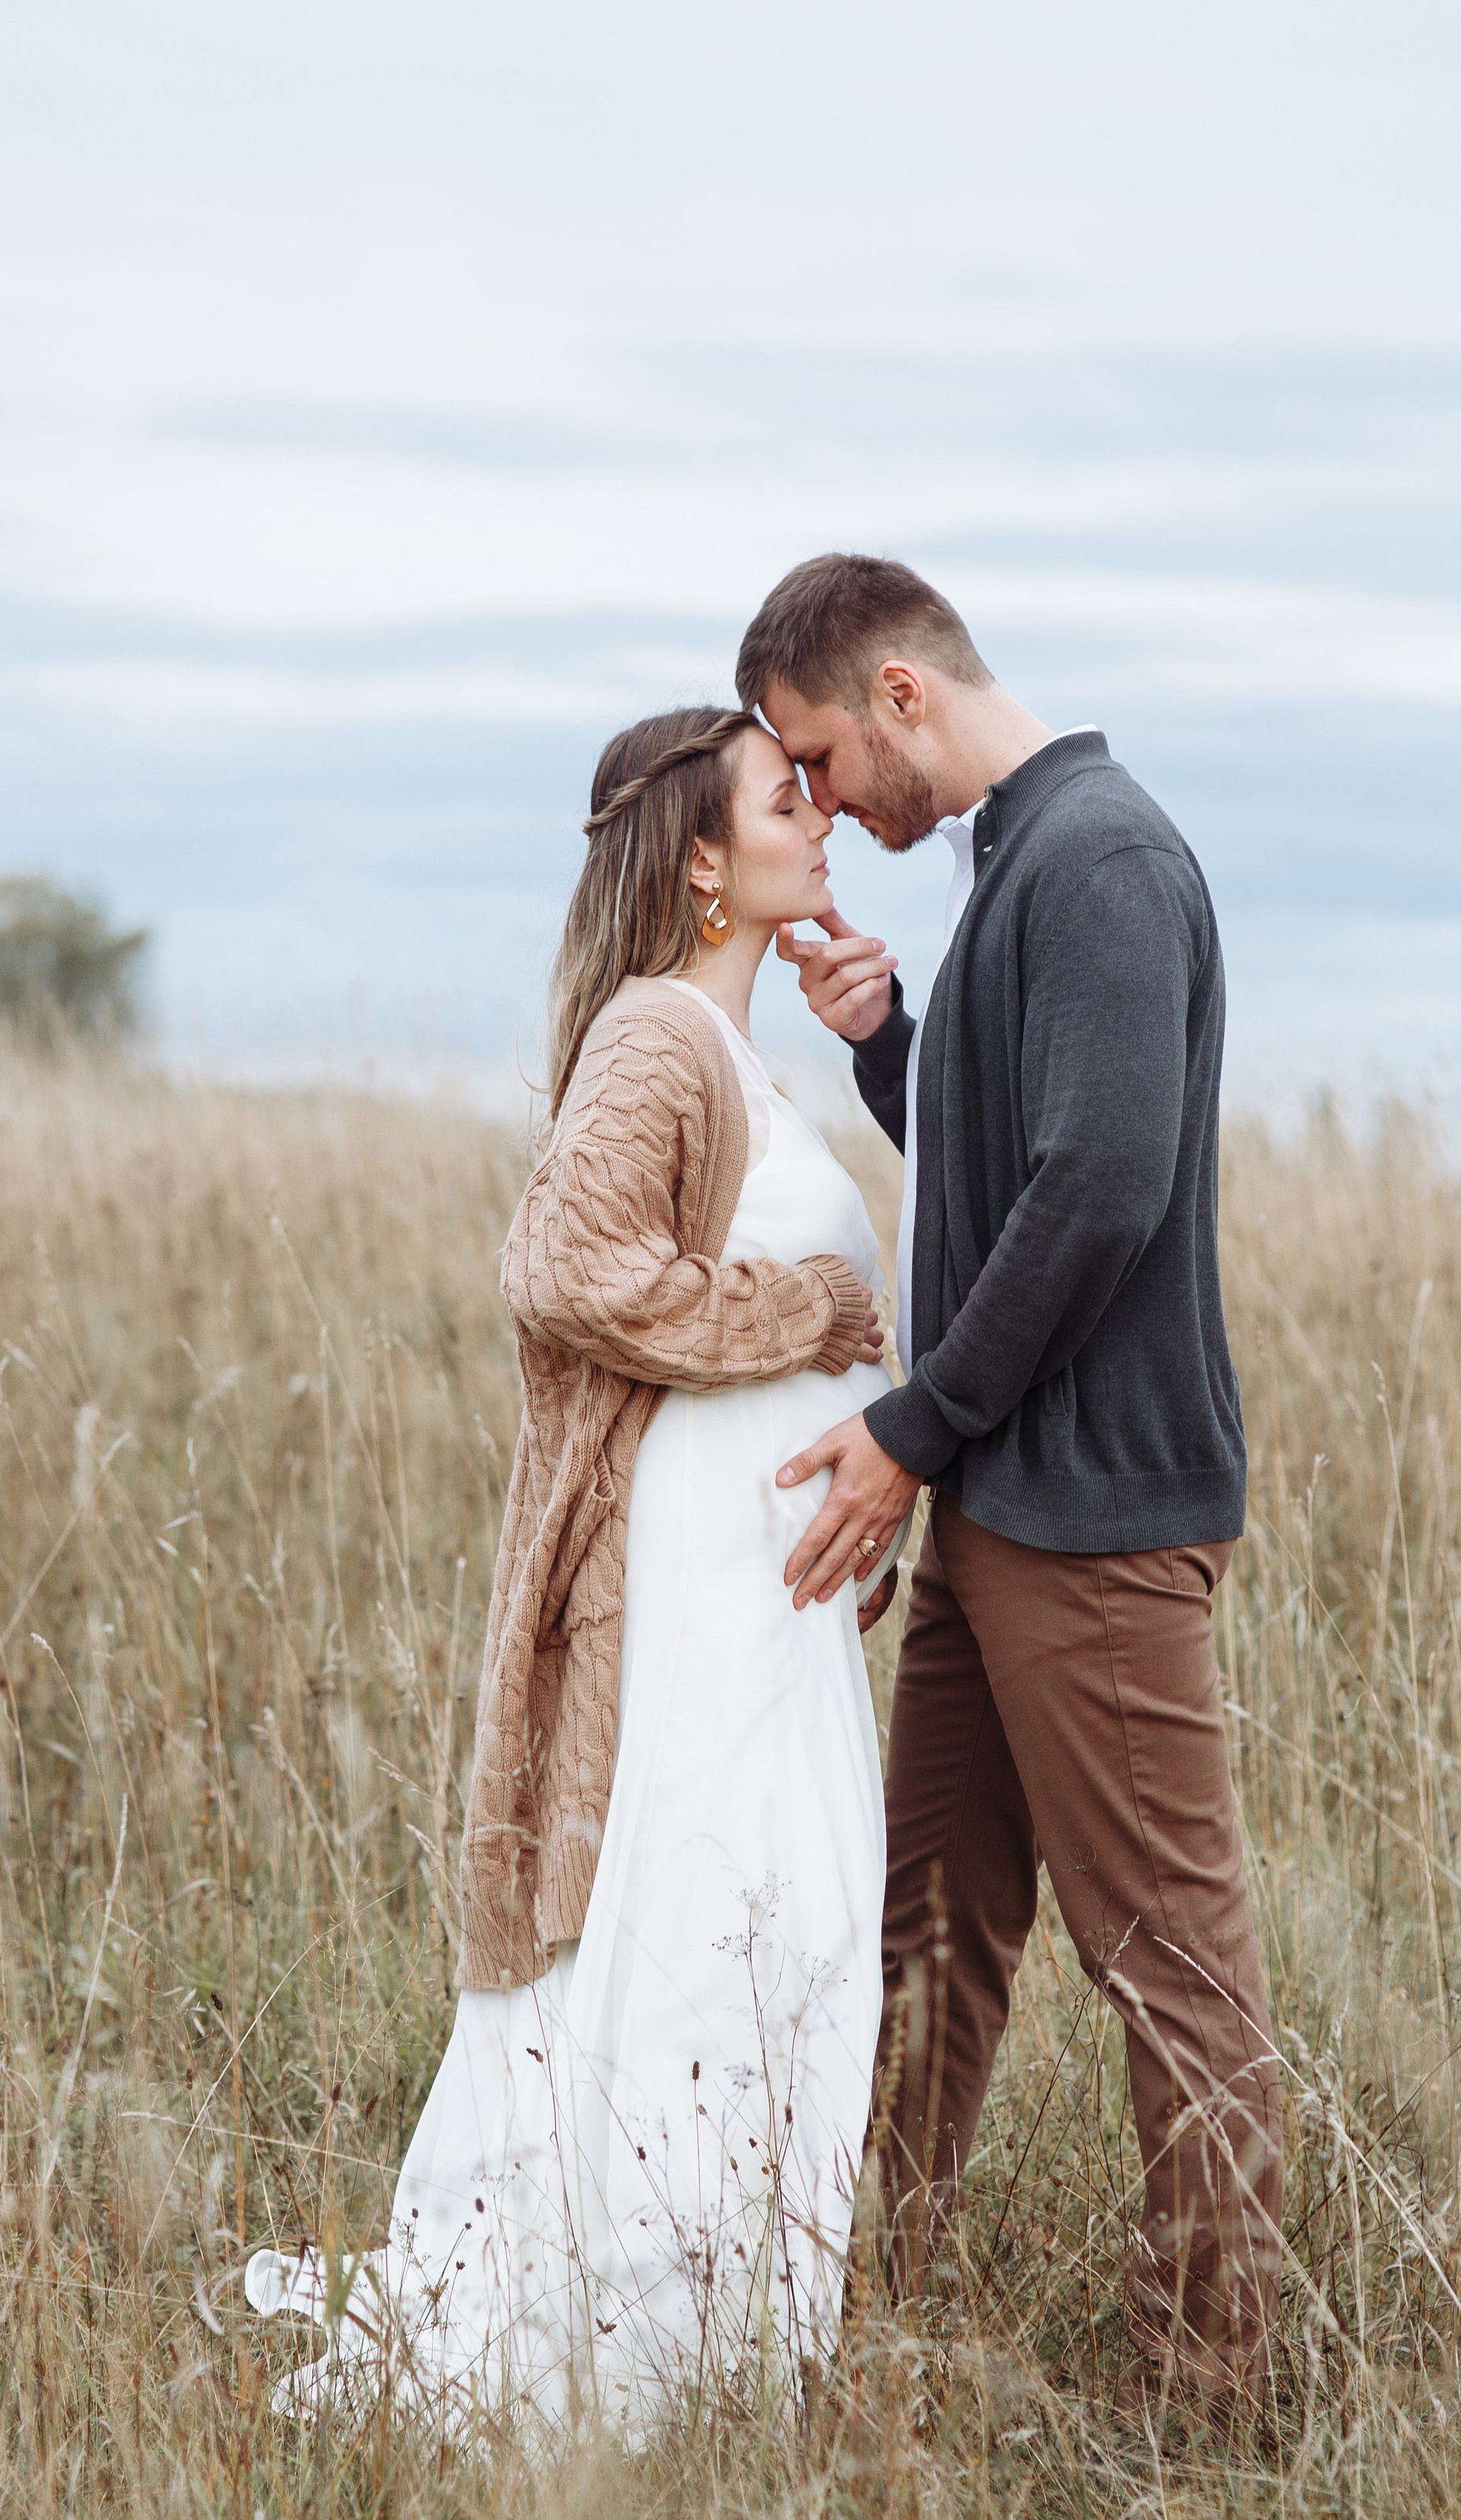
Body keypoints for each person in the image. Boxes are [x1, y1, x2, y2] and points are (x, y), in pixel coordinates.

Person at [247, 707, 903, 2433]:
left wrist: (865, 1480)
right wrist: (817, 1314)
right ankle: (641, 2341)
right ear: (702, 861)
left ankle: (725, 2327)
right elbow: (564, 1270)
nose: (820, 816)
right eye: (785, 798)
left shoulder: (736, 1050)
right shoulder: (659, 1034)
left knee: (786, 1916)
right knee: (708, 1913)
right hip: (690, 1574)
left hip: (769, 1574)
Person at [736, 554, 1282, 2416]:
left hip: (1095, 1519)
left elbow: (1105, 1188)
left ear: (901, 692)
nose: (820, 803)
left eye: (819, 755)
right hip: (993, 1510)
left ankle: (1200, 2403)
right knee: (922, 1946)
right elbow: (1009, 1177)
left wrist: (911, 1426)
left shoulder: (1099, 860)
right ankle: (862, 2328)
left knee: (1168, 1969)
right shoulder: (1011, 870)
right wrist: (890, 1044)